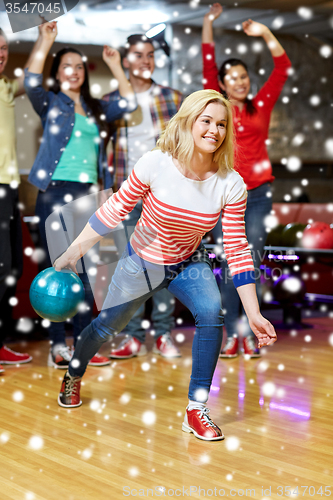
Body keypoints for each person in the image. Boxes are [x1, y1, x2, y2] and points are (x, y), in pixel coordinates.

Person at [54, 89, 277, 441]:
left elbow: (236, 249)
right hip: (141, 262)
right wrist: (72, 253)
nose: (213, 131)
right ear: (189, 122)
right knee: (105, 327)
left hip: (189, 261)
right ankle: (74, 373)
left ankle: (196, 409)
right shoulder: (155, 163)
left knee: (212, 312)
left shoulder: (230, 183)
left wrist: (252, 313)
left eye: (221, 124)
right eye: (206, 121)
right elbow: (114, 210)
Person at [24, 21, 136, 369]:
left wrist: (116, 63)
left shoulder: (97, 107)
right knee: (57, 268)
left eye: (77, 66)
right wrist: (45, 41)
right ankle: (58, 345)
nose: (72, 71)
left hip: (93, 196)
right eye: (65, 67)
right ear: (58, 73)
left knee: (89, 272)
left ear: (84, 73)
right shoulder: (50, 102)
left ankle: (82, 345)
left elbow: (129, 102)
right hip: (55, 191)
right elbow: (30, 81)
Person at [202, 3, 291, 358]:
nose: (240, 81)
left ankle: (245, 332)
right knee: (228, 263)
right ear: (222, 84)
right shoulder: (217, 107)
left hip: (258, 194)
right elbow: (208, 62)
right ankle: (230, 334)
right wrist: (209, 22)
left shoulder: (261, 104)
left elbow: (282, 67)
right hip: (225, 195)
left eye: (243, 76)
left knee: (249, 260)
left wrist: (265, 33)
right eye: (232, 77)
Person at [103, 34, 183, 360]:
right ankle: (133, 336)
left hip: (163, 195)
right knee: (131, 267)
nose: (145, 61)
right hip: (127, 193)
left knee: (161, 265)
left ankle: (163, 333)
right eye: (137, 55)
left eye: (150, 55)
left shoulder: (173, 98)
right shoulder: (111, 101)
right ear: (125, 61)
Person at [0, 26, 44, 373]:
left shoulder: (4, 89)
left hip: (9, 188)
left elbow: (30, 76)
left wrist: (44, 39)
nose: (1, 53)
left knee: (13, 267)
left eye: (3, 48)